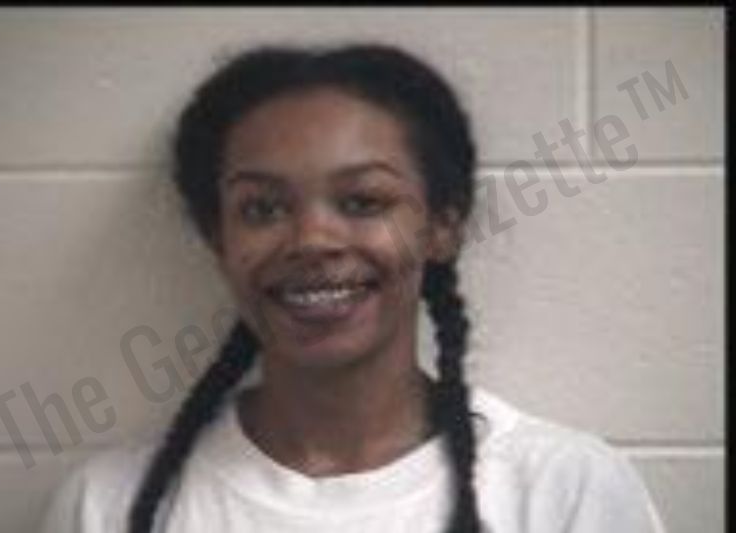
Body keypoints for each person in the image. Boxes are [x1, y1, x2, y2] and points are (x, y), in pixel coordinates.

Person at [41, 43, 666, 533]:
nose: (312, 240)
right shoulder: (107, 505)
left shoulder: (563, 491)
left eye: (364, 201)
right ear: (218, 240)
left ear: (441, 227)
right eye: (262, 209)